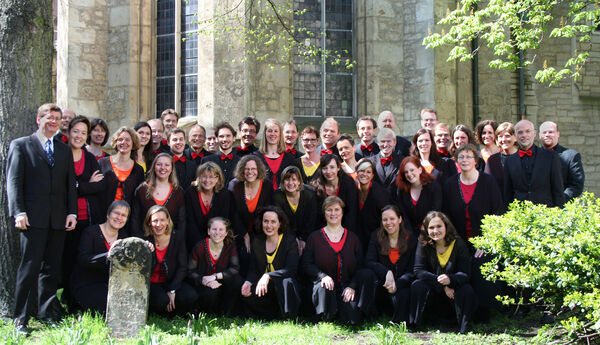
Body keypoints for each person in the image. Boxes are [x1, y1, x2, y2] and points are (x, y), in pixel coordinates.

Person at [6, 104, 76, 334]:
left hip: (58, 220)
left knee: (50, 270)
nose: (53, 122)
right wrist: (18, 212)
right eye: (49, 117)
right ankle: (20, 319)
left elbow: (70, 186)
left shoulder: (63, 150)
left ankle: (46, 314)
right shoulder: (21, 145)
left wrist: (72, 213)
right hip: (31, 219)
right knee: (29, 268)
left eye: (57, 118)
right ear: (39, 119)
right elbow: (14, 181)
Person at [443, 144, 504, 319]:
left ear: (476, 161)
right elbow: (446, 216)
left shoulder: (488, 182)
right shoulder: (450, 184)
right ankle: (460, 312)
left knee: (480, 263)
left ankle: (483, 313)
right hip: (458, 241)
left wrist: (486, 241)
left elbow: (498, 213)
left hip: (484, 241)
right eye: (461, 157)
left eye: (469, 156)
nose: (465, 160)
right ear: (456, 161)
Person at [301, 196, 374, 324]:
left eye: (336, 210)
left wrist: (352, 286)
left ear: (342, 212)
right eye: (329, 210)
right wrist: (322, 276)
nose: (333, 213)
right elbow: (306, 264)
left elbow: (360, 266)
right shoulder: (314, 237)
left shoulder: (353, 239)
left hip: (346, 286)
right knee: (325, 294)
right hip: (323, 286)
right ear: (324, 213)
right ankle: (326, 314)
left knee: (352, 318)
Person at [62, 115, 106, 308]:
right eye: (76, 131)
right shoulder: (61, 154)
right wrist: (85, 185)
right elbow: (62, 188)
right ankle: (66, 299)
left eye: (83, 133)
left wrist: (78, 186)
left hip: (87, 218)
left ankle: (78, 301)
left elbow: (100, 186)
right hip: (64, 218)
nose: (79, 136)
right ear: (69, 132)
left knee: (82, 262)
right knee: (66, 260)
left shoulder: (89, 158)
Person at [410, 211, 478, 334]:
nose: (435, 231)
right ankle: (417, 325)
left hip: (453, 293)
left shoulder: (458, 243)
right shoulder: (423, 243)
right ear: (426, 230)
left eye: (439, 226)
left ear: (446, 226)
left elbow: (465, 273)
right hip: (434, 292)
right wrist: (443, 284)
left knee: (466, 290)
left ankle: (464, 327)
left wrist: (450, 280)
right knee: (417, 285)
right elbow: (418, 270)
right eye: (431, 227)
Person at [70, 201, 130, 315]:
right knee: (106, 309)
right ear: (108, 214)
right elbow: (83, 260)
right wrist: (108, 256)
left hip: (108, 285)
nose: (119, 218)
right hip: (86, 283)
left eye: (124, 215)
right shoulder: (90, 232)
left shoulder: (123, 237)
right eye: (116, 213)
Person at [241, 206, 301, 319]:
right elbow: (253, 269)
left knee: (288, 282)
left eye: (273, 222)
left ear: (280, 223)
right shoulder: (257, 241)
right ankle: (269, 316)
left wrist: (268, 275)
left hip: (282, 287)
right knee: (246, 293)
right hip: (265, 288)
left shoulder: (289, 241)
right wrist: (248, 282)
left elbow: (291, 269)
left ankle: (287, 317)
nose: (269, 226)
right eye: (266, 221)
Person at [365, 205, 417, 323]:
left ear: (399, 219)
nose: (389, 223)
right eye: (385, 220)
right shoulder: (376, 236)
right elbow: (369, 261)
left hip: (403, 284)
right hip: (383, 285)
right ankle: (373, 317)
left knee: (404, 294)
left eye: (392, 219)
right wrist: (386, 272)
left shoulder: (411, 239)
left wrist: (397, 284)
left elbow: (413, 269)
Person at [145, 205, 197, 315]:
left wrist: (172, 289)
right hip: (152, 284)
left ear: (168, 221)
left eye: (162, 220)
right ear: (149, 223)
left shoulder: (177, 237)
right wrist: (145, 249)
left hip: (171, 281)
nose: (159, 225)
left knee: (190, 295)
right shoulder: (144, 240)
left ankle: (176, 314)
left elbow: (183, 266)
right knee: (162, 301)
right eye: (155, 221)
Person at [503, 119, 565, 208]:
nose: (524, 135)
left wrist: (559, 214)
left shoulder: (550, 157)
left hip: (545, 213)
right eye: (520, 132)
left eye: (528, 131)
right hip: (519, 214)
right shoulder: (509, 161)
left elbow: (558, 189)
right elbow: (507, 193)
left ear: (534, 133)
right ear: (515, 137)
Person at [188, 217, 242, 315]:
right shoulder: (200, 247)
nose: (217, 233)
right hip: (204, 284)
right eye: (214, 229)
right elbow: (190, 271)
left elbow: (235, 268)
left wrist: (215, 276)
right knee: (211, 292)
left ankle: (228, 314)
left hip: (221, 282)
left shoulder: (230, 246)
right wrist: (204, 280)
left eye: (221, 230)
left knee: (237, 281)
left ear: (226, 233)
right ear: (208, 231)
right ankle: (206, 314)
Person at [130, 153, 186, 238]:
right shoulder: (142, 190)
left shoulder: (178, 192)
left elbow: (181, 222)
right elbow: (135, 220)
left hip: (169, 242)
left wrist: (177, 240)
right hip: (145, 241)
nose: (163, 168)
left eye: (167, 165)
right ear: (153, 168)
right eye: (159, 164)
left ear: (172, 169)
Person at [229, 155, 273, 259]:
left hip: (261, 231)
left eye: (253, 169)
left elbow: (268, 212)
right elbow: (233, 214)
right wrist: (245, 235)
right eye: (246, 169)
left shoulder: (267, 185)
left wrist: (255, 237)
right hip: (238, 232)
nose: (250, 172)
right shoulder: (234, 185)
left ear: (259, 170)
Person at [185, 162, 235, 251]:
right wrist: (201, 247)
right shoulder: (190, 193)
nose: (207, 180)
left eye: (211, 177)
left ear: (217, 179)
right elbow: (190, 222)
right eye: (204, 176)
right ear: (199, 178)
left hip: (218, 241)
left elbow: (224, 220)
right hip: (193, 243)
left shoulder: (225, 195)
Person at [98, 127, 145, 216]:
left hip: (126, 218)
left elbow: (138, 198)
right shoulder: (102, 163)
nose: (124, 142)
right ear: (116, 142)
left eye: (127, 140)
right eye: (120, 139)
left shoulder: (138, 170)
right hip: (103, 216)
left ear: (133, 143)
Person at [272, 166, 318, 254]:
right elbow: (281, 221)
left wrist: (303, 239)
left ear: (299, 181)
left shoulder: (309, 194)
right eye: (287, 179)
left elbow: (311, 220)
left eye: (294, 179)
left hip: (307, 234)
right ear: (282, 181)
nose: (290, 183)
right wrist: (293, 239)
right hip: (285, 233)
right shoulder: (277, 196)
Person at [310, 154, 358, 234]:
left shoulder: (348, 183)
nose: (328, 172)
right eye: (325, 168)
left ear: (338, 168)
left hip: (345, 228)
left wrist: (344, 234)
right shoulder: (316, 186)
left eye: (332, 167)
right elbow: (315, 215)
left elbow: (351, 213)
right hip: (322, 230)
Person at [394, 156, 442, 234]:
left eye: (412, 170)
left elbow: (435, 211)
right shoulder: (401, 190)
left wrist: (425, 230)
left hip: (431, 231)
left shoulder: (433, 187)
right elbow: (403, 215)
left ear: (420, 170)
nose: (409, 174)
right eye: (406, 172)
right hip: (409, 233)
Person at [539, 121, 584, 202]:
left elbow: (577, 185)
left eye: (551, 132)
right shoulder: (533, 156)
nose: (547, 135)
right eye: (544, 132)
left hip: (561, 207)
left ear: (558, 134)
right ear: (539, 135)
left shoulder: (571, 156)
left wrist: (561, 199)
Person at [355, 159, 391, 247]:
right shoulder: (352, 190)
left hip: (375, 240)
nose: (365, 174)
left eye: (368, 172)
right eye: (362, 171)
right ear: (356, 173)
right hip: (355, 238)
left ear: (372, 175)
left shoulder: (381, 194)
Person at [254, 118, 296, 190]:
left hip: (283, 199)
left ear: (280, 134)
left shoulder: (289, 158)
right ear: (265, 133)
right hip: (262, 199)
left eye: (276, 131)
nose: (273, 134)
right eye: (270, 131)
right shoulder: (256, 157)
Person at [484, 122, 518, 193]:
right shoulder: (492, 160)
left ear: (515, 137)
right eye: (500, 136)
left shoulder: (523, 157)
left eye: (507, 136)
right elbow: (487, 185)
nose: (504, 139)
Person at [367, 128, 403, 192]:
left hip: (396, 201)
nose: (386, 144)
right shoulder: (369, 162)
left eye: (389, 141)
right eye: (383, 141)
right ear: (378, 142)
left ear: (394, 142)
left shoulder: (402, 161)